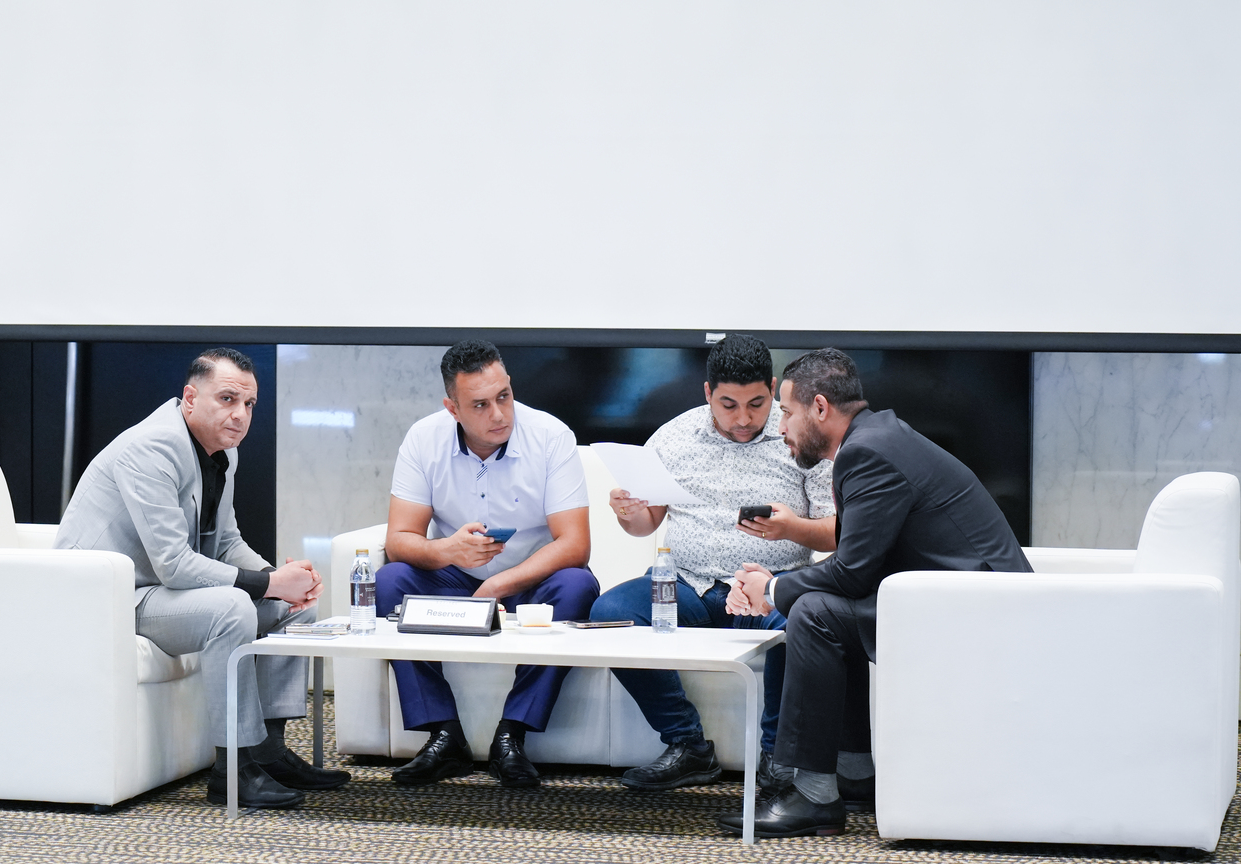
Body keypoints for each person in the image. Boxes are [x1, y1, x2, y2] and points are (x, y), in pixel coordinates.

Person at [719, 348, 1033, 839]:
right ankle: (855, 772)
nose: (780, 428)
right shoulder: (876, 439)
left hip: (981, 610)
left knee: (816, 613)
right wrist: (774, 585)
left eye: (786, 413)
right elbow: (858, 561)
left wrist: (773, 589)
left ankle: (814, 795)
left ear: (819, 408)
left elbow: (851, 574)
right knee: (823, 609)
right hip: (958, 598)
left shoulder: (868, 453)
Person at [56, 347, 349, 810]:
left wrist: (280, 579)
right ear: (190, 398)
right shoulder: (151, 448)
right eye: (228, 399)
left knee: (288, 609)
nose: (240, 414)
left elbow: (226, 541)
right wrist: (269, 584)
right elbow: (174, 563)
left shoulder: (222, 452)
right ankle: (233, 771)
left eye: (249, 404)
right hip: (108, 596)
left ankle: (268, 753)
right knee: (232, 607)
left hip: (157, 592)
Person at [587, 333, 837, 790]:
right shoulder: (673, 437)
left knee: (805, 618)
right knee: (610, 613)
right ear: (707, 393)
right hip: (686, 585)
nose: (743, 419)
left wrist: (792, 529)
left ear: (773, 388)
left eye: (757, 404)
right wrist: (627, 512)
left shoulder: (801, 437)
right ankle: (688, 746)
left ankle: (778, 758)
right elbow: (646, 523)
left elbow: (836, 530)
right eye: (728, 405)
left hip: (770, 588)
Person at [375, 340, 601, 788]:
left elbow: (575, 544)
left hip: (530, 581)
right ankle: (443, 735)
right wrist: (448, 551)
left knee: (577, 585)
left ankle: (511, 735)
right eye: (480, 405)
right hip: (455, 579)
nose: (499, 414)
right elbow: (398, 540)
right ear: (452, 409)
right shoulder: (423, 438)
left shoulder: (551, 436)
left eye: (504, 396)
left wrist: (499, 584)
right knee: (389, 579)